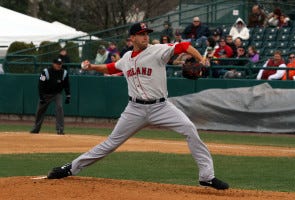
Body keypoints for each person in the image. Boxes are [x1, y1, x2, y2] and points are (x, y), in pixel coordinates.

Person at [46, 22, 229, 190]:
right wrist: (92, 66)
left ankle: (206, 176)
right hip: (135, 109)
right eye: (141, 34)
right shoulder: (126, 57)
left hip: (161, 107)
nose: (145, 37)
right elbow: (112, 68)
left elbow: (182, 46)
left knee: (189, 129)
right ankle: (71, 168)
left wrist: (201, 59)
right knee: (110, 143)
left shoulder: (158, 50)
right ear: (132, 38)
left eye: (147, 34)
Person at [30, 58, 71, 135]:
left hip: (57, 94)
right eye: (57, 64)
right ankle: (36, 128)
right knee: (40, 110)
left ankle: (60, 129)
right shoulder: (45, 72)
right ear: (53, 64)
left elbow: (67, 85)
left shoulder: (64, 72)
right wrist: (41, 97)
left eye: (60, 64)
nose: (59, 65)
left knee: (60, 107)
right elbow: (40, 85)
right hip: (46, 94)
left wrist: (68, 95)